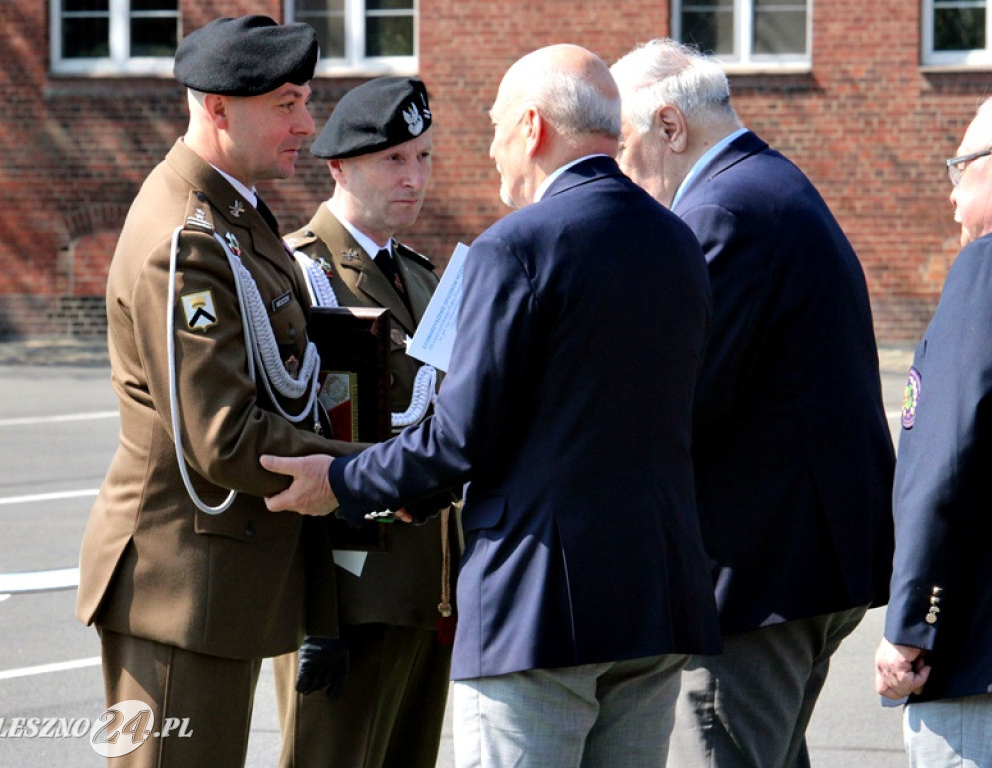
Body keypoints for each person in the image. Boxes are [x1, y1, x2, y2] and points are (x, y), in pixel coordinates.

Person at [261, 43, 722, 767]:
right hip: (658, 595)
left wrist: (340, 482)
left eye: (496, 126)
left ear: (532, 129)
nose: (489, 148)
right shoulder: (677, 239)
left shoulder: (519, 247)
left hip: (542, 602)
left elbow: (459, 437)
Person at [75, 16, 357, 768]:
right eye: (287, 104)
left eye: (305, 102)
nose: (307, 125)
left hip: (220, 580)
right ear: (219, 108)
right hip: (180, 588)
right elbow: (224, 437)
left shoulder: (233, 213)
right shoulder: (187, 239)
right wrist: (363, 470)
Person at [610, 39, 895, 768]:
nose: (616, 171)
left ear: (670, 128)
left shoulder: (722, 210)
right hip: (801, 561)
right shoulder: (766, 185)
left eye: (619, 147)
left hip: (759, 570)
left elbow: (683, 394)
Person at [272, 76, 455, 768]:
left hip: (425, 585)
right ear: (339, 166)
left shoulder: (422, 277)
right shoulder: (301, 276)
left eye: (425, 158)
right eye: (395, 160)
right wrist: (317, 619)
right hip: (346, 593)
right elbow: (292, 442)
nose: (415, 178)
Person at [874, 88, 992, 765]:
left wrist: (908, 627)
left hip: (982, 668)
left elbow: (945, 465)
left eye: (960, 169)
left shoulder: (991, 268)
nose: (952, 196)